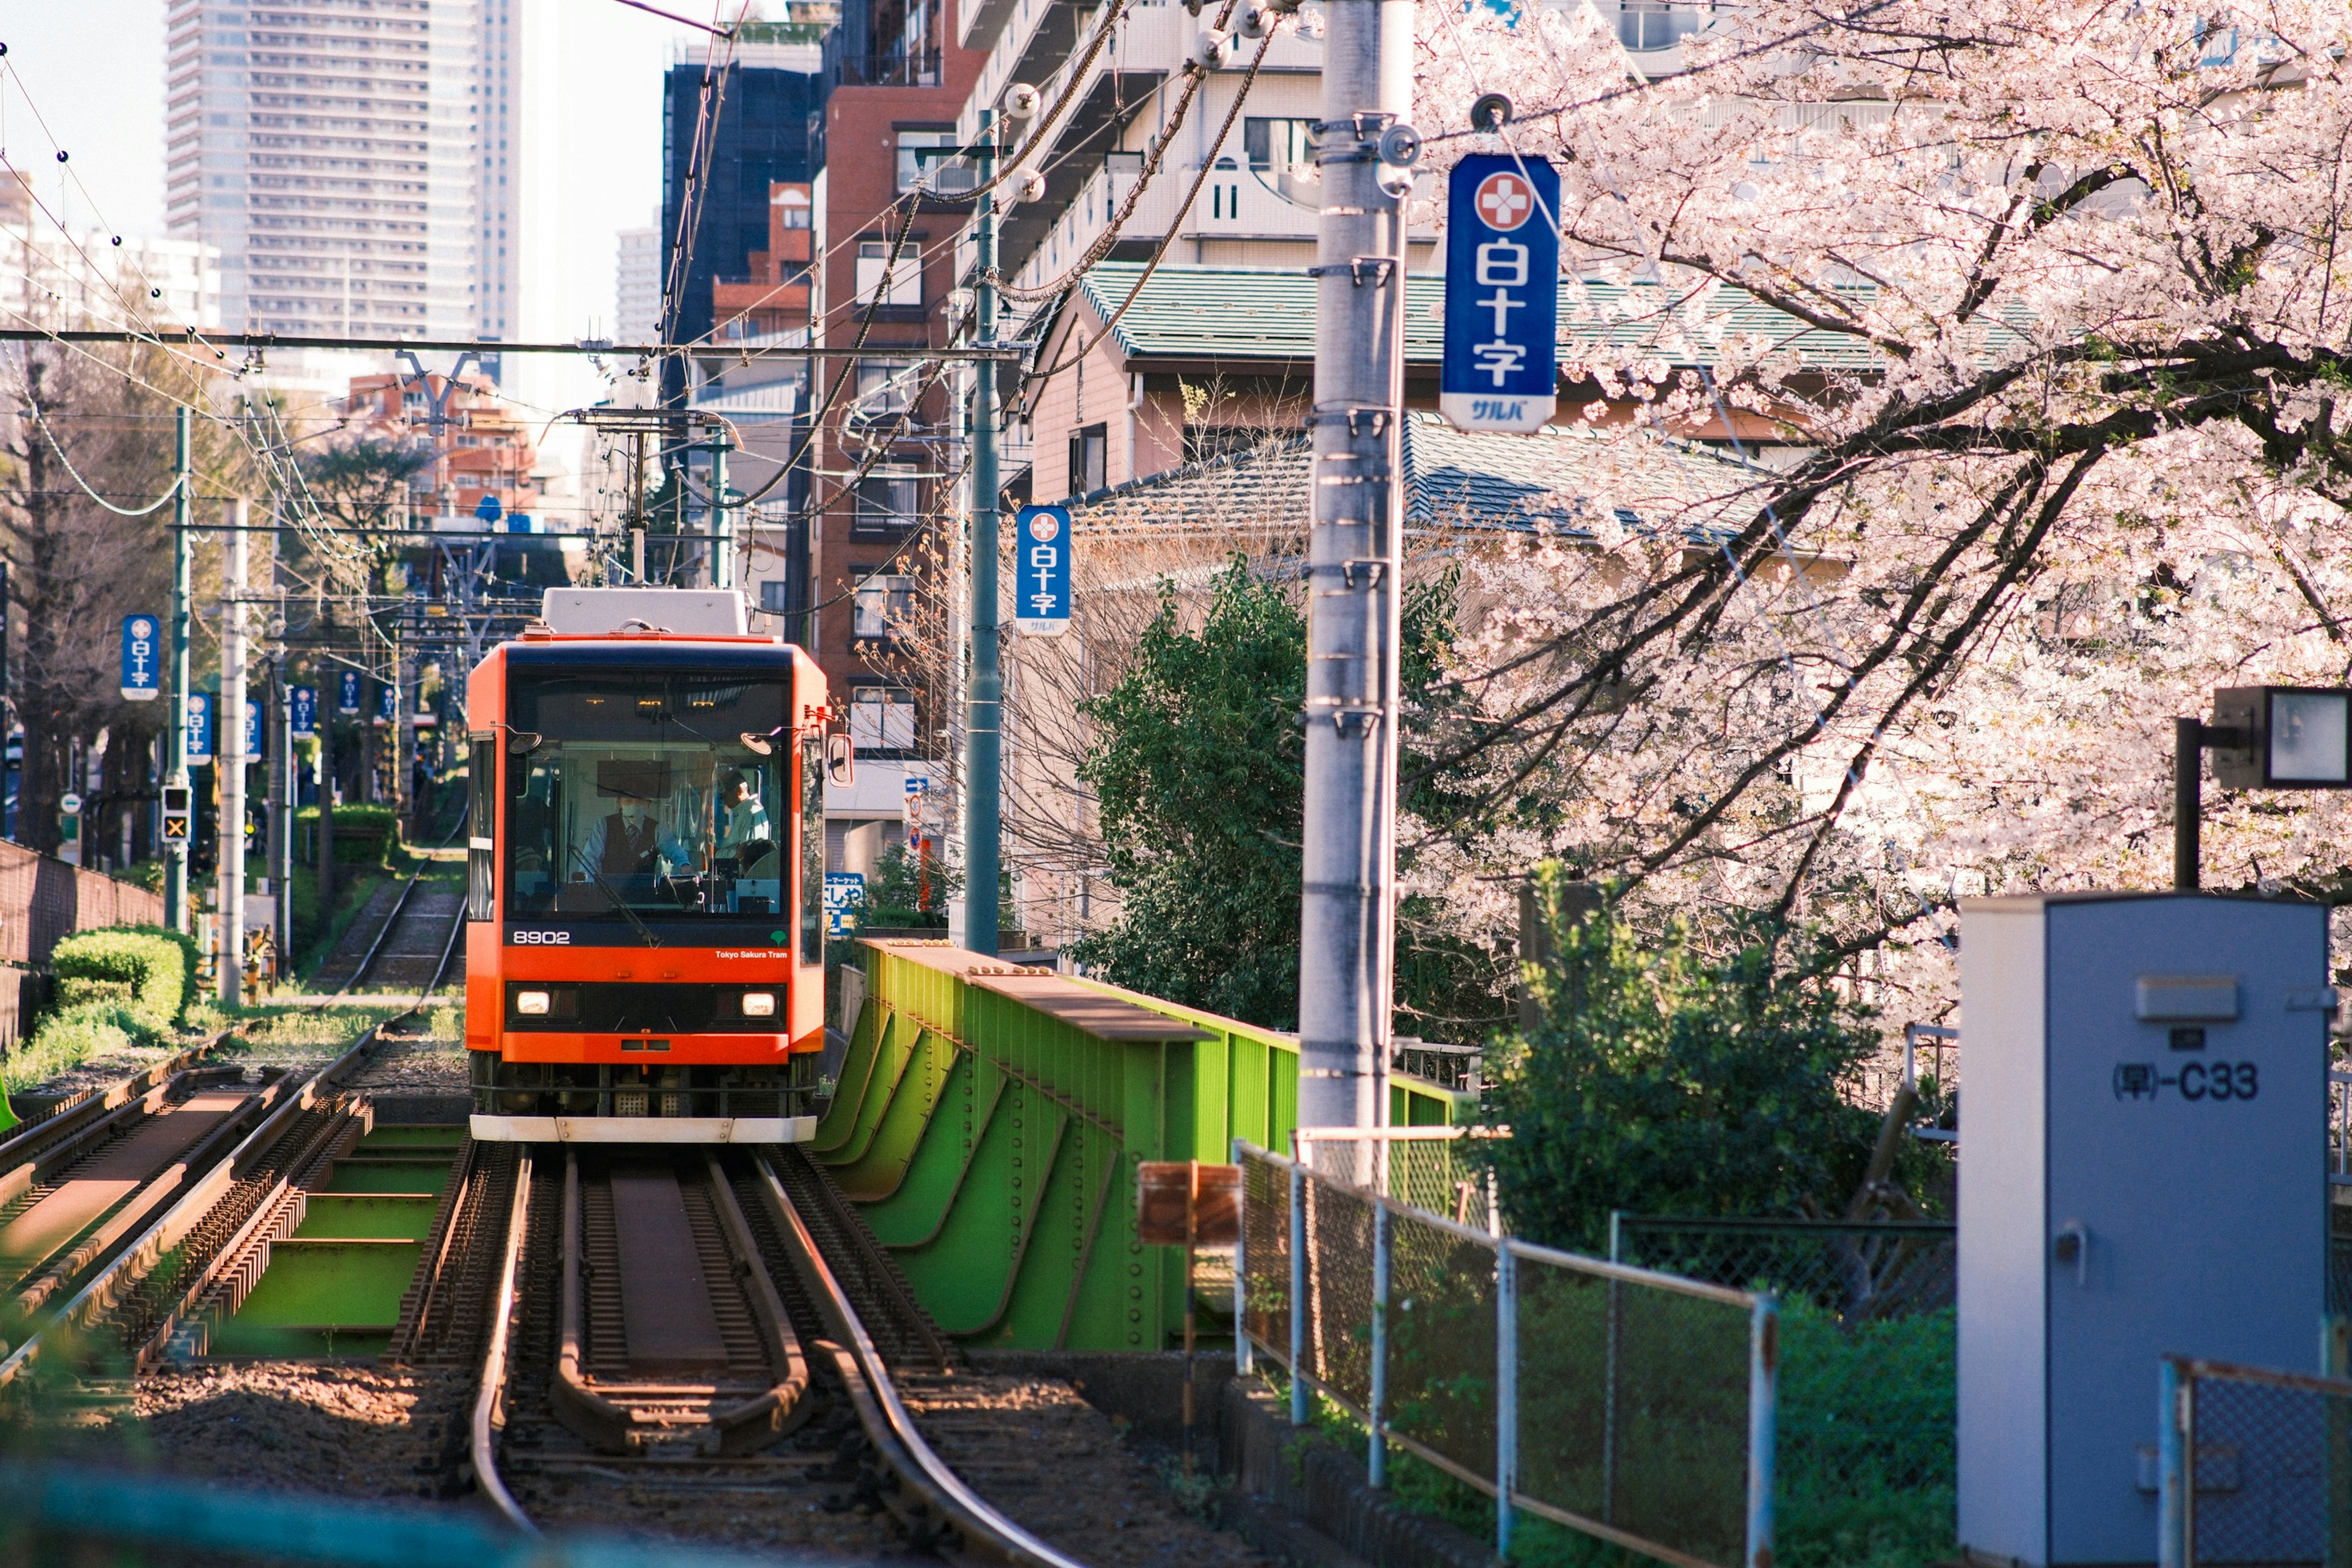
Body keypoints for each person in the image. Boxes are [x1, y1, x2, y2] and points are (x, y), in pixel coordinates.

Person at [581, 786, 694, 877]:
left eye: (639, 800)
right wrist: (588, 889)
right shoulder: (604, 825)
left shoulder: (657, 829)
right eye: (628, 800)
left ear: (648, 803)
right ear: (619, 802)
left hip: (645, 897)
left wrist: (684, 865)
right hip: (610, 895)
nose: (634, 805)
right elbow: (590, 859)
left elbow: (674, 848)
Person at [717, 769, 772, 861]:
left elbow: (746, 852)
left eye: (724, 795)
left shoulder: (752, 813)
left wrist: (718, 854)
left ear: (738, 791)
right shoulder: (742, 812)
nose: (723, 800)